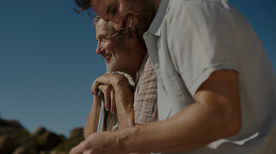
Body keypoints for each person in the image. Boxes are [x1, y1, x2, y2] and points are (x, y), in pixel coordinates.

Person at [71, 0, 276, 154]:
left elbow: (222, 115)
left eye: (114, 9)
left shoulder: (187, 10)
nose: (117, 25)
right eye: (109, 20)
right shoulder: (158, 35)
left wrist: (118, 141)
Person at [84, 16, 158, 137]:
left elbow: (137, 142)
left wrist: (119, 84)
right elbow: (89, 138)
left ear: (129, 33)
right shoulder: (110, 80)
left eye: (103, 39)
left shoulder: (153, 66)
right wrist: (97, 94)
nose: (98, 50)